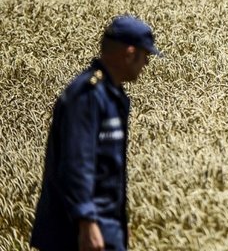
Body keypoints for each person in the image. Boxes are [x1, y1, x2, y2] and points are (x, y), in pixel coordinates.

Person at [31, 15, 162, 251]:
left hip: (104, 225)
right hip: (75, 232)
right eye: (146, 56)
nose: (146, 64)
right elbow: (77, 163)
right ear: (130, 53)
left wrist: (117, 224)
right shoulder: (88, 96)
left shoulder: (111, 95)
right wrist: (87, 223)